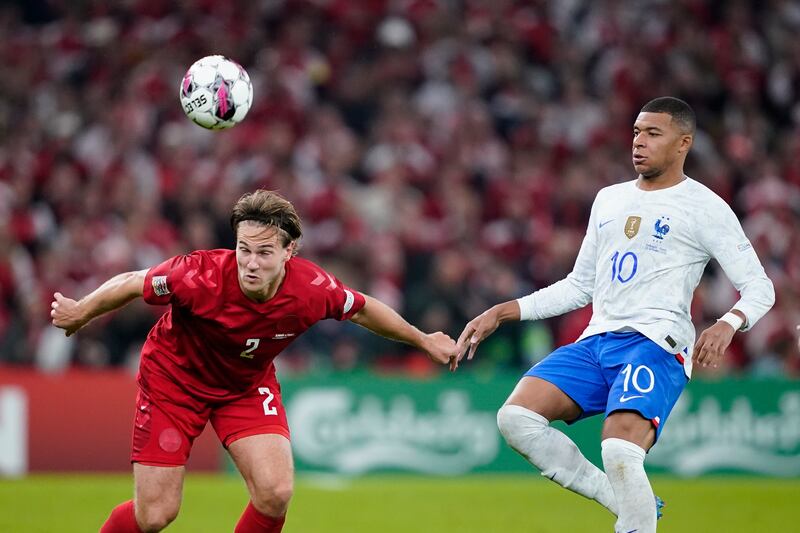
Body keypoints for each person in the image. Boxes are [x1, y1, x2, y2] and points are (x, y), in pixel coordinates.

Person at [453, 97, 775, 532]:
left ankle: (633, 518)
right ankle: (618, 499)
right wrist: (503, 311)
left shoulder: (706, 207)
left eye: (652, 134)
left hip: (656, 343)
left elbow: (760, 287)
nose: (639, 142)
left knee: (620, 451)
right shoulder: (609, 199)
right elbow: (580, 285)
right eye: (636, 132)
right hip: (596, 341)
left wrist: (728, 322)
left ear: (684, 143)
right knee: (515, 418)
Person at [50, 190, 457, 533]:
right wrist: (82, 311)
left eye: (264, 252)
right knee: (156, 515)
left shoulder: (312, 288)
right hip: (172, 383)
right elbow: (131, 282)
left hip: (244, 385)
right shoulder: (199, 274)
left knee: (275, 492)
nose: (250, 262)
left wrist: (422, 340)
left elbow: (364, 308)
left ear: (288, 252)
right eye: (244, 249)